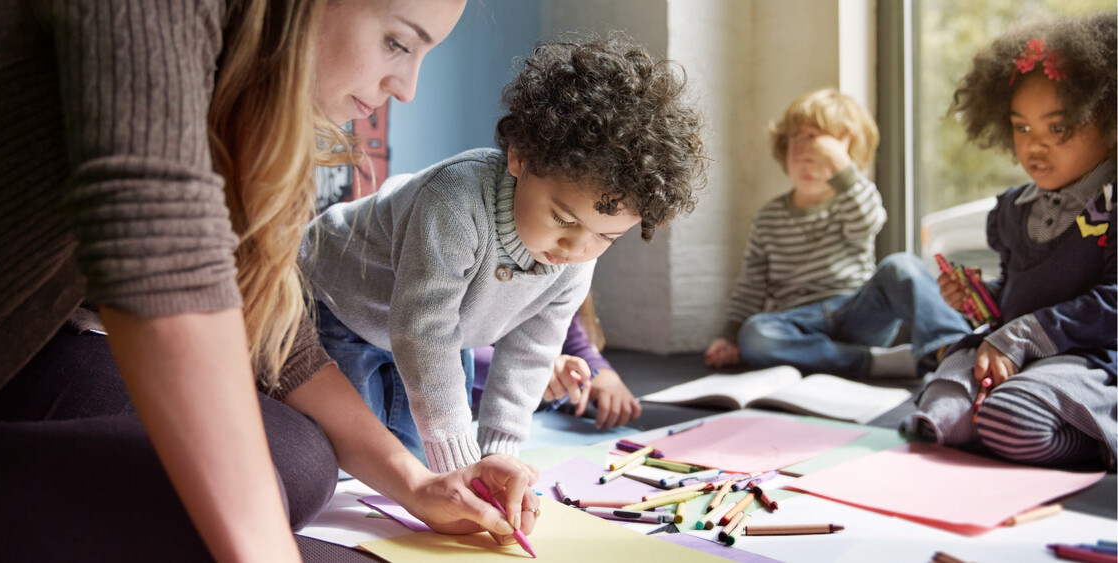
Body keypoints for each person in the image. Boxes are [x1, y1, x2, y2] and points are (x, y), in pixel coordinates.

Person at [0, 2, 544, 561]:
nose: (406, 88)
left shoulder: (244, 94)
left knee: (299, 457)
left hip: (37, 350)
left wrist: (417, 483)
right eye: (398, 44)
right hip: (30, 350)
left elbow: (277, 338)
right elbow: (156, 259)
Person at [301, 32, 707, 472]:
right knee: (357, 464)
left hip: (442, 332)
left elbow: (532, 351)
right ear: (520, 156)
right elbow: (422, 333)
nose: (577, 248)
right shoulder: (454, 201)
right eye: (563, 219)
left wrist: (497, 454)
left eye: (606, 238)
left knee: (422, 462)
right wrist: (461, 465)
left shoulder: (577, 257)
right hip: (341, 303)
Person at [906, 12, 1116, 469]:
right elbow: (1019, 298)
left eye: (1057, 127)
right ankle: (997, 422)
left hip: (1090, 360)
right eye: (1022, 127)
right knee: (938, 409)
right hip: (1017, 355)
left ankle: (1096, 437)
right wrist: (982, 300)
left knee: (1010, 418)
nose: (1034, 146)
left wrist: (1019, 337)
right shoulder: (1013, 210)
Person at [704, 88, 971, 378]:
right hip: (799, 323)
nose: (808, 159)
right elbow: (751, 283)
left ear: (847, 160)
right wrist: (730, 336)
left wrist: (839, 163)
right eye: (798, 147)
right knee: (755, 334)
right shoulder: (769, 216)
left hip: (855, 312)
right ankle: (873, 363)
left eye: (820, 154)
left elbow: (869, 221)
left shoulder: (852, 201)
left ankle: (958, 348)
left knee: (902, 266)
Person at [472, 297, 643, 430]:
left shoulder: (565, 270)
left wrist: (601, 372)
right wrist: (530, 366)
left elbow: (571, 337)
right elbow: (452, 348)